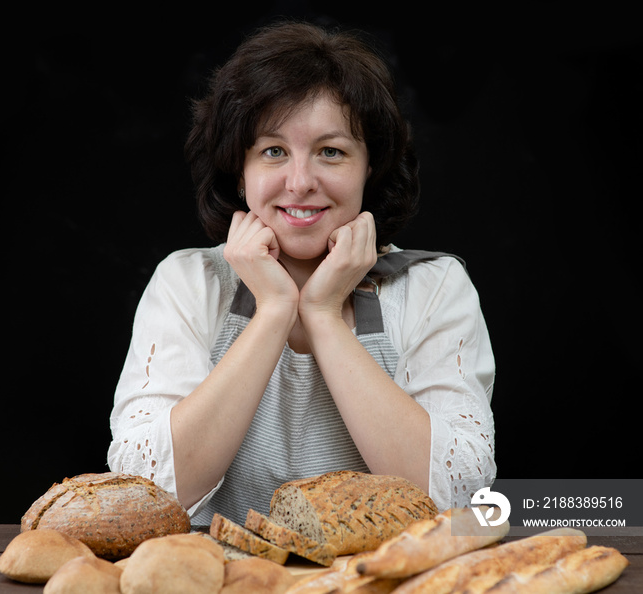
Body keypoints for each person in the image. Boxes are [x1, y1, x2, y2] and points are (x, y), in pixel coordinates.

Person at [108, 21, 496, 526]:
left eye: (331, 151)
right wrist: (273, 312)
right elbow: (148, 494)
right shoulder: (188, 284)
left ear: (369, 169)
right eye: (273, 151)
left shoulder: (434, 287)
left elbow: (456, 498)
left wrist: (322, 314)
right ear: (238, 169)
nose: (300, 182)